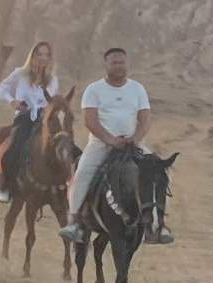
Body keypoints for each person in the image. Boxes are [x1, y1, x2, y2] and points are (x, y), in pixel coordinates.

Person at [61, 48, 154, 243]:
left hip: (132, 143)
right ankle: (74, 220)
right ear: (106, 65)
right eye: (114, 63)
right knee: (82, 174)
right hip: (100, 144)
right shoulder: (94, 90)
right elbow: (90, 121)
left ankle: (154, 224)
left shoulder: (137, 88)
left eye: (122, 62)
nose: (119, 66)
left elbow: (145, 120)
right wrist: (111, 140)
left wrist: (135, 139)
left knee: (158, 173)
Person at [0, 42, 61, 205]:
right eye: (40, 54)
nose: (43, 58)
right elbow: (2, 89)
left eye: (46, 55)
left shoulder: (53, 80)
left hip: (45, 120)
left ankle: (61, 188)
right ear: (33, 55)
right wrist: (12, 101)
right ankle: (6, 187)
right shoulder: (20, 74)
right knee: (14, 148)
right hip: (24, 118)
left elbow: (53, 101)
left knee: (66, 149)